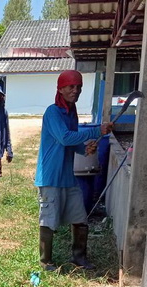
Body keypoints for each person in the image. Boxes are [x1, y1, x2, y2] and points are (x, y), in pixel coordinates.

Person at [34, 70, 113, 271]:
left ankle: (79, 257)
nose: (75, 90)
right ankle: (45, 262)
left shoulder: (72, 111)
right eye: (71, 86)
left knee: (80, 218)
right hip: (50, 176)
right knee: (49, 220)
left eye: (78, 87)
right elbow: (65, 138)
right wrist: (97, 131)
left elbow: (72, 142)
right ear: (60, 89)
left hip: (68, 177)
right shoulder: (53, 112)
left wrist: (84, 149)